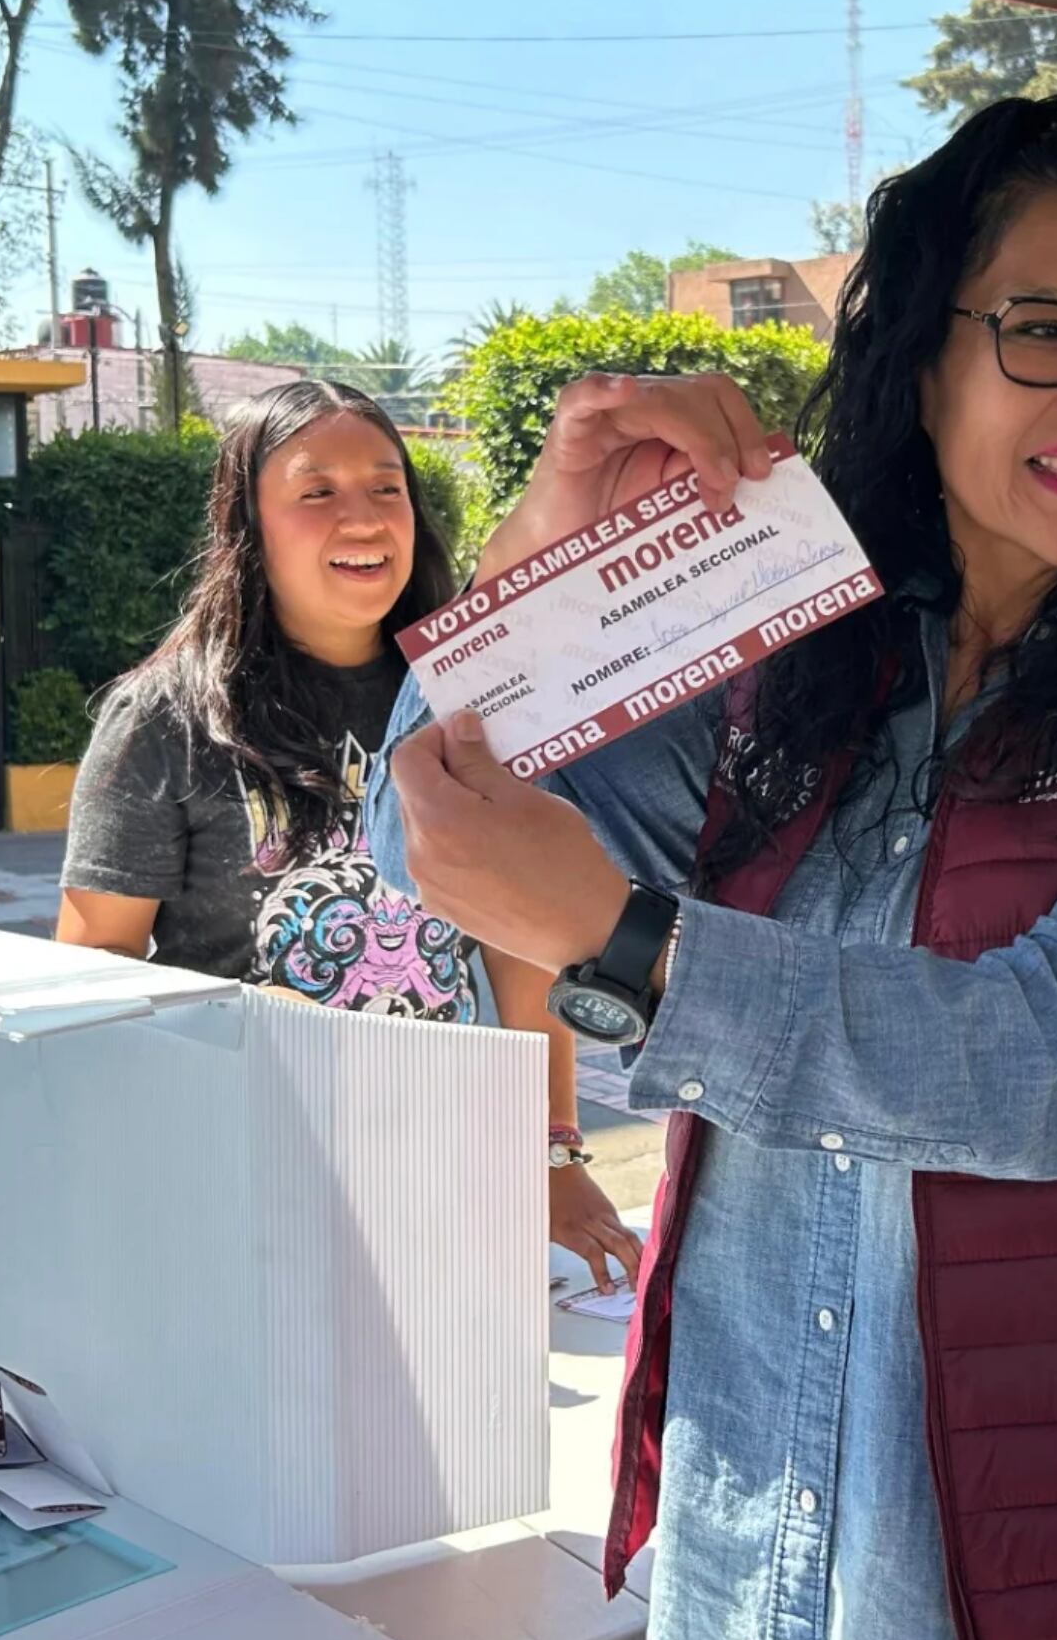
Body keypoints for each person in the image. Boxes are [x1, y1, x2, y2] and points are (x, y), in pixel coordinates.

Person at [365, 97, 1057, 1640]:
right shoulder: (786, 643)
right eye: (1043, 330)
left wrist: (630, 945)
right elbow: (427, 831)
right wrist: (543, 553)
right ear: (919, 355)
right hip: (758, 1553)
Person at [58, 379, 642, 1291]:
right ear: (248, 523)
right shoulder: (162, 719)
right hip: (243, 1181)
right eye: (316, 490)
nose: (364, 518)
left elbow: (522, 952)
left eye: (386, 486)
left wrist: (555, 1157)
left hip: (445, 1177)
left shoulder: (470, 701)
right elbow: (96, 971)